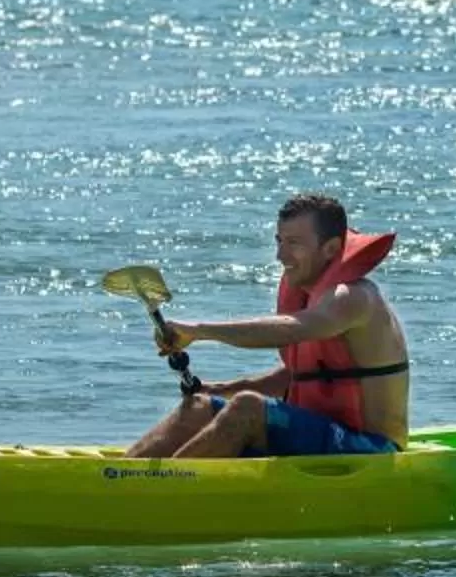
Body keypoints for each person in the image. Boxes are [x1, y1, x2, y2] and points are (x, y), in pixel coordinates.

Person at [127, 193, 411, 458]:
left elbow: (293, 328)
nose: (280, 256)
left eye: (294, 244)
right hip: (315, 435)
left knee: (248, 408)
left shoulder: (353, 297)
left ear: (331, 248)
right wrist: (217, 389)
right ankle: (121, 477)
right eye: (279, 241)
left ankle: (160, 491)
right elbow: (301, 376)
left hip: (372, 449)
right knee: (199, 406)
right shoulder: (310, 295)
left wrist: (198, 330)